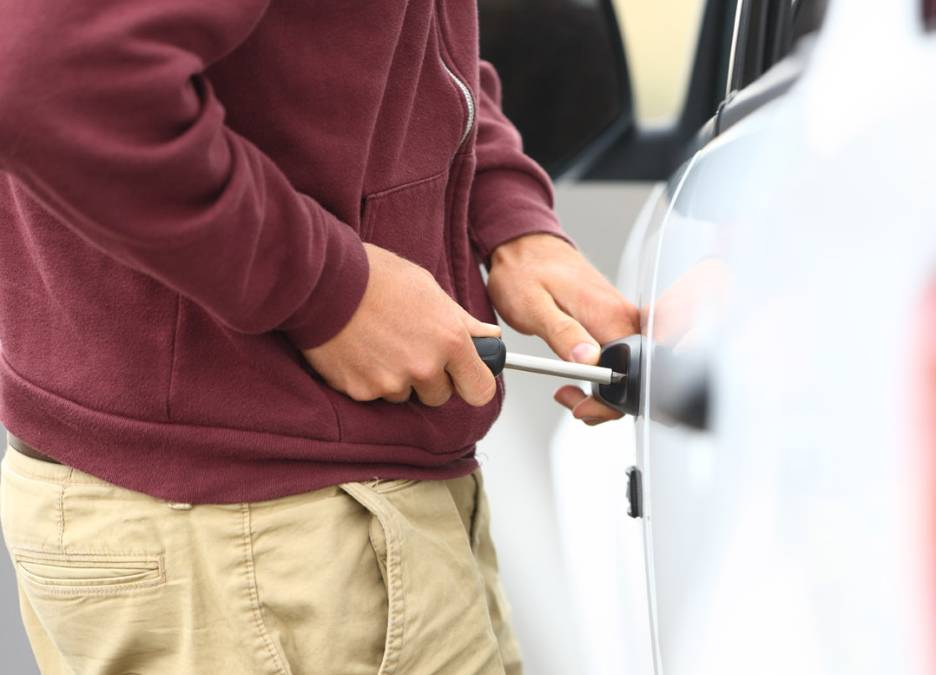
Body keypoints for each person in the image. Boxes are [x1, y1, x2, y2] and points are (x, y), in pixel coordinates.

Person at [0, 1, 638, 673]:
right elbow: (57, 74)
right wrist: (329, 290)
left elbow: (402, 42)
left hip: (285, 529)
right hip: (264, 536)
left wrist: (507, 212)